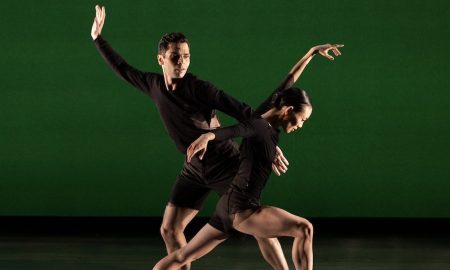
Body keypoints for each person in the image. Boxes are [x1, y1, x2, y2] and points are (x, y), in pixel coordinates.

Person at [91, 5, 291, 269]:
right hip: (194, 169)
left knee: (253, 223)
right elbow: (123, 69)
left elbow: (244, 112)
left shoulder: (200, 89)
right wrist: (98, 38)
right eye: (175, 56)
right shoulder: (153, 85)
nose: (182, 61)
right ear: (161, 59)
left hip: (224, 164)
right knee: (170, 229)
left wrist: (265, 140)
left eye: (186, 56)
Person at [153, 48, 343, 270]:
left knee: (181, 257)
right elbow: (233, 131)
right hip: (243, 210)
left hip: (228, 208)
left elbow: (287, 82)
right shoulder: (258, 126)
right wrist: (209, 135)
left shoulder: (264, 115)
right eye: (302, 119)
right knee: (304, 228)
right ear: (288, 110)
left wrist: (311, 54)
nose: (301, 125)